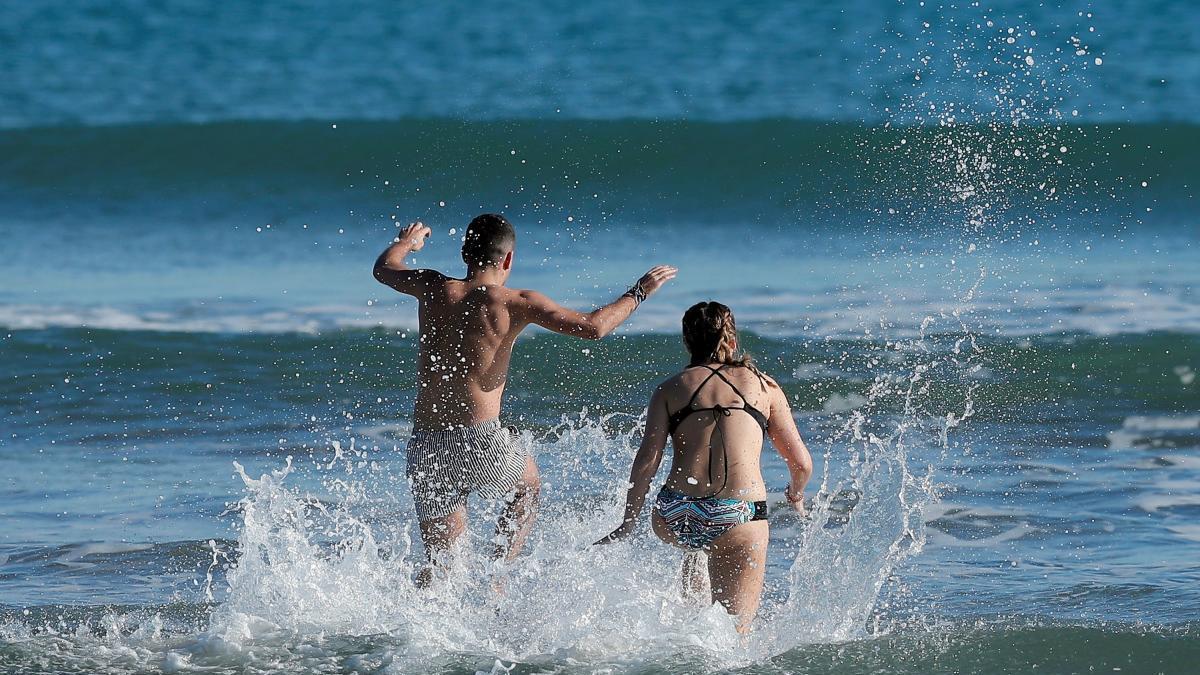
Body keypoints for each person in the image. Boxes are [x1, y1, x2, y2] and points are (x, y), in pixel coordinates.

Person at [373, 214, 676, 585]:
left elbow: (384, 269)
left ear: (465, 254)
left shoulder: (433, 286)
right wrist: (639, 291)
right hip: (479, 440)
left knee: (442, 567)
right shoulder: (513, 302)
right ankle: (498, 579)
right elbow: (594, 327)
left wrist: (408, 243)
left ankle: (417, 625)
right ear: (508, 260)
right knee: (528, 488)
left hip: (427, 442)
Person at [596, 301, 813, 633]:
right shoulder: (764, 386)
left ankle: (696, 562)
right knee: (735, 636)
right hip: (737, 514)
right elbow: (801, 463)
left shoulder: (670, 388)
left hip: (674, 512)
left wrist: (627, 522)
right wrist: (795, 494)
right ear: (732, 340)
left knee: (696, 544)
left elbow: (646, 462)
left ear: (687, 342)